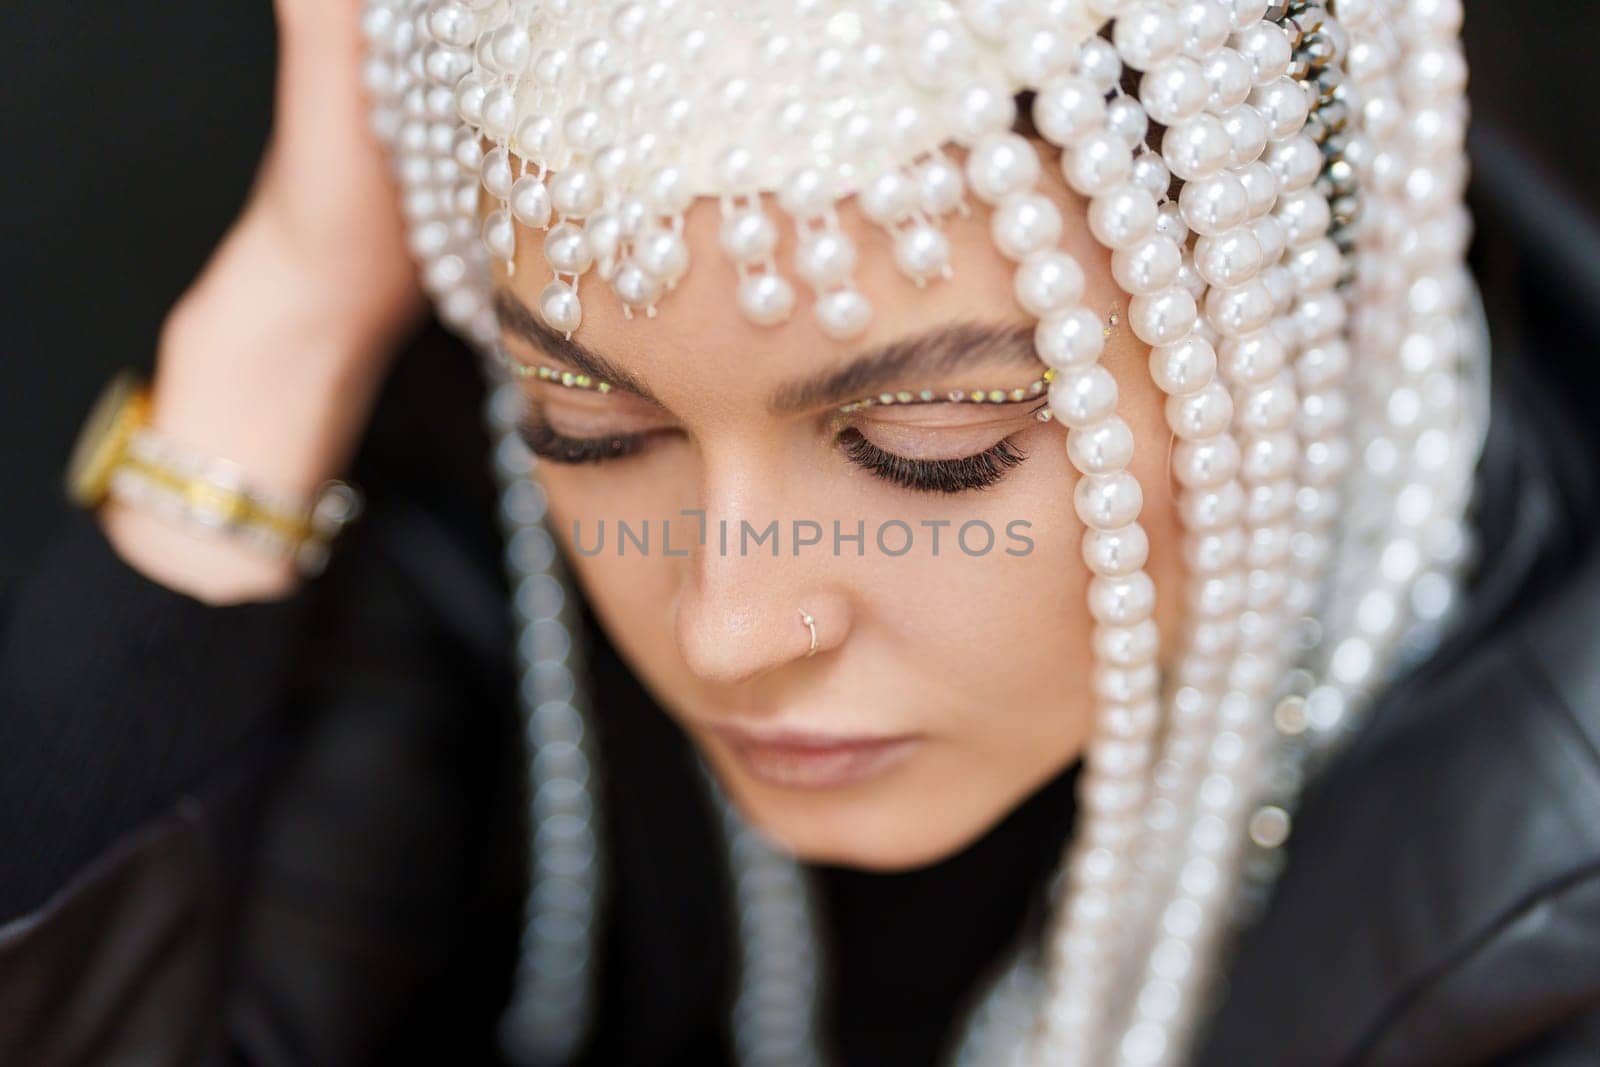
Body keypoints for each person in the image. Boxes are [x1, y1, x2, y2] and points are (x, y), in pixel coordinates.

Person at [2, 0, 1598, 1064]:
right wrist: (287, 317)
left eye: (933, 449)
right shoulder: (484, 509)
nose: (725, 625)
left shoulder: (1549, 937)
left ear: (1287, 314)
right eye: (594, 426)